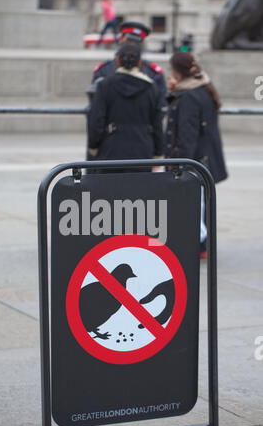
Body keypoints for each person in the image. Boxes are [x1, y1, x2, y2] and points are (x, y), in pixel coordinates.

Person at [165, 51, 228, 258]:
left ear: (177, 71)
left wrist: (180, 165)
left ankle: (200, 245)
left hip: (195, 159)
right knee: (201, 202)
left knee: (194, 204)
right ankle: (202, 244)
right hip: (205, 157)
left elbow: (187, 135)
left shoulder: (189, 96)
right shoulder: (202, 88)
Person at [88, 42, 165, 173]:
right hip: (143, 150)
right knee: (138, 192)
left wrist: (93, 146)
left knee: (111, 192)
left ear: (117, 60)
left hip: (111, 148)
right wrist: (158, 153)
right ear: (140, 63)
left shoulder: (105, 85)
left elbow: (97, 119)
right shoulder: (151, 88)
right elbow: (157, 123)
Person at [93, 21, 167, 107]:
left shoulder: (153, 73)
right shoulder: (104, 70)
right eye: (129, 40)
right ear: (120, 39)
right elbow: (95, 103)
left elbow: (161, 104)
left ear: (142, 43)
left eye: (137, 42)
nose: (132, 45)